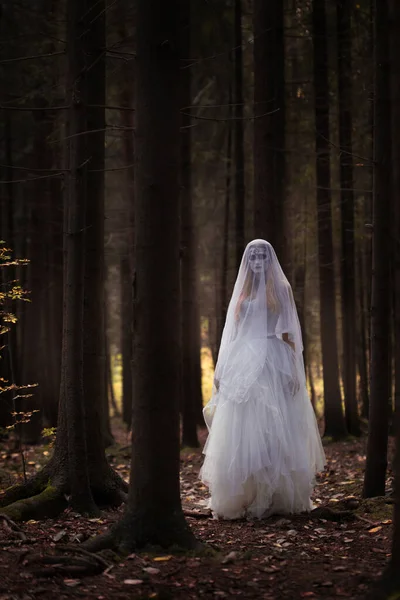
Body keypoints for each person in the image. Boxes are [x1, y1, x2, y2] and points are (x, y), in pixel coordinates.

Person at [200, 239, 326, 519]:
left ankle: (275, 497)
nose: (257, 261)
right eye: (252, 256)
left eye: (262, 256)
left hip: (272, 357)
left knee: (274, 425)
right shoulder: (242, 291)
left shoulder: (281, 289)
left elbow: (291, 333)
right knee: (242, 427)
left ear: (270, 260)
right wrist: (221, 370)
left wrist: (294, 369)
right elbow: (232, 334)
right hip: (243, 360)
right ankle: (243, 496)